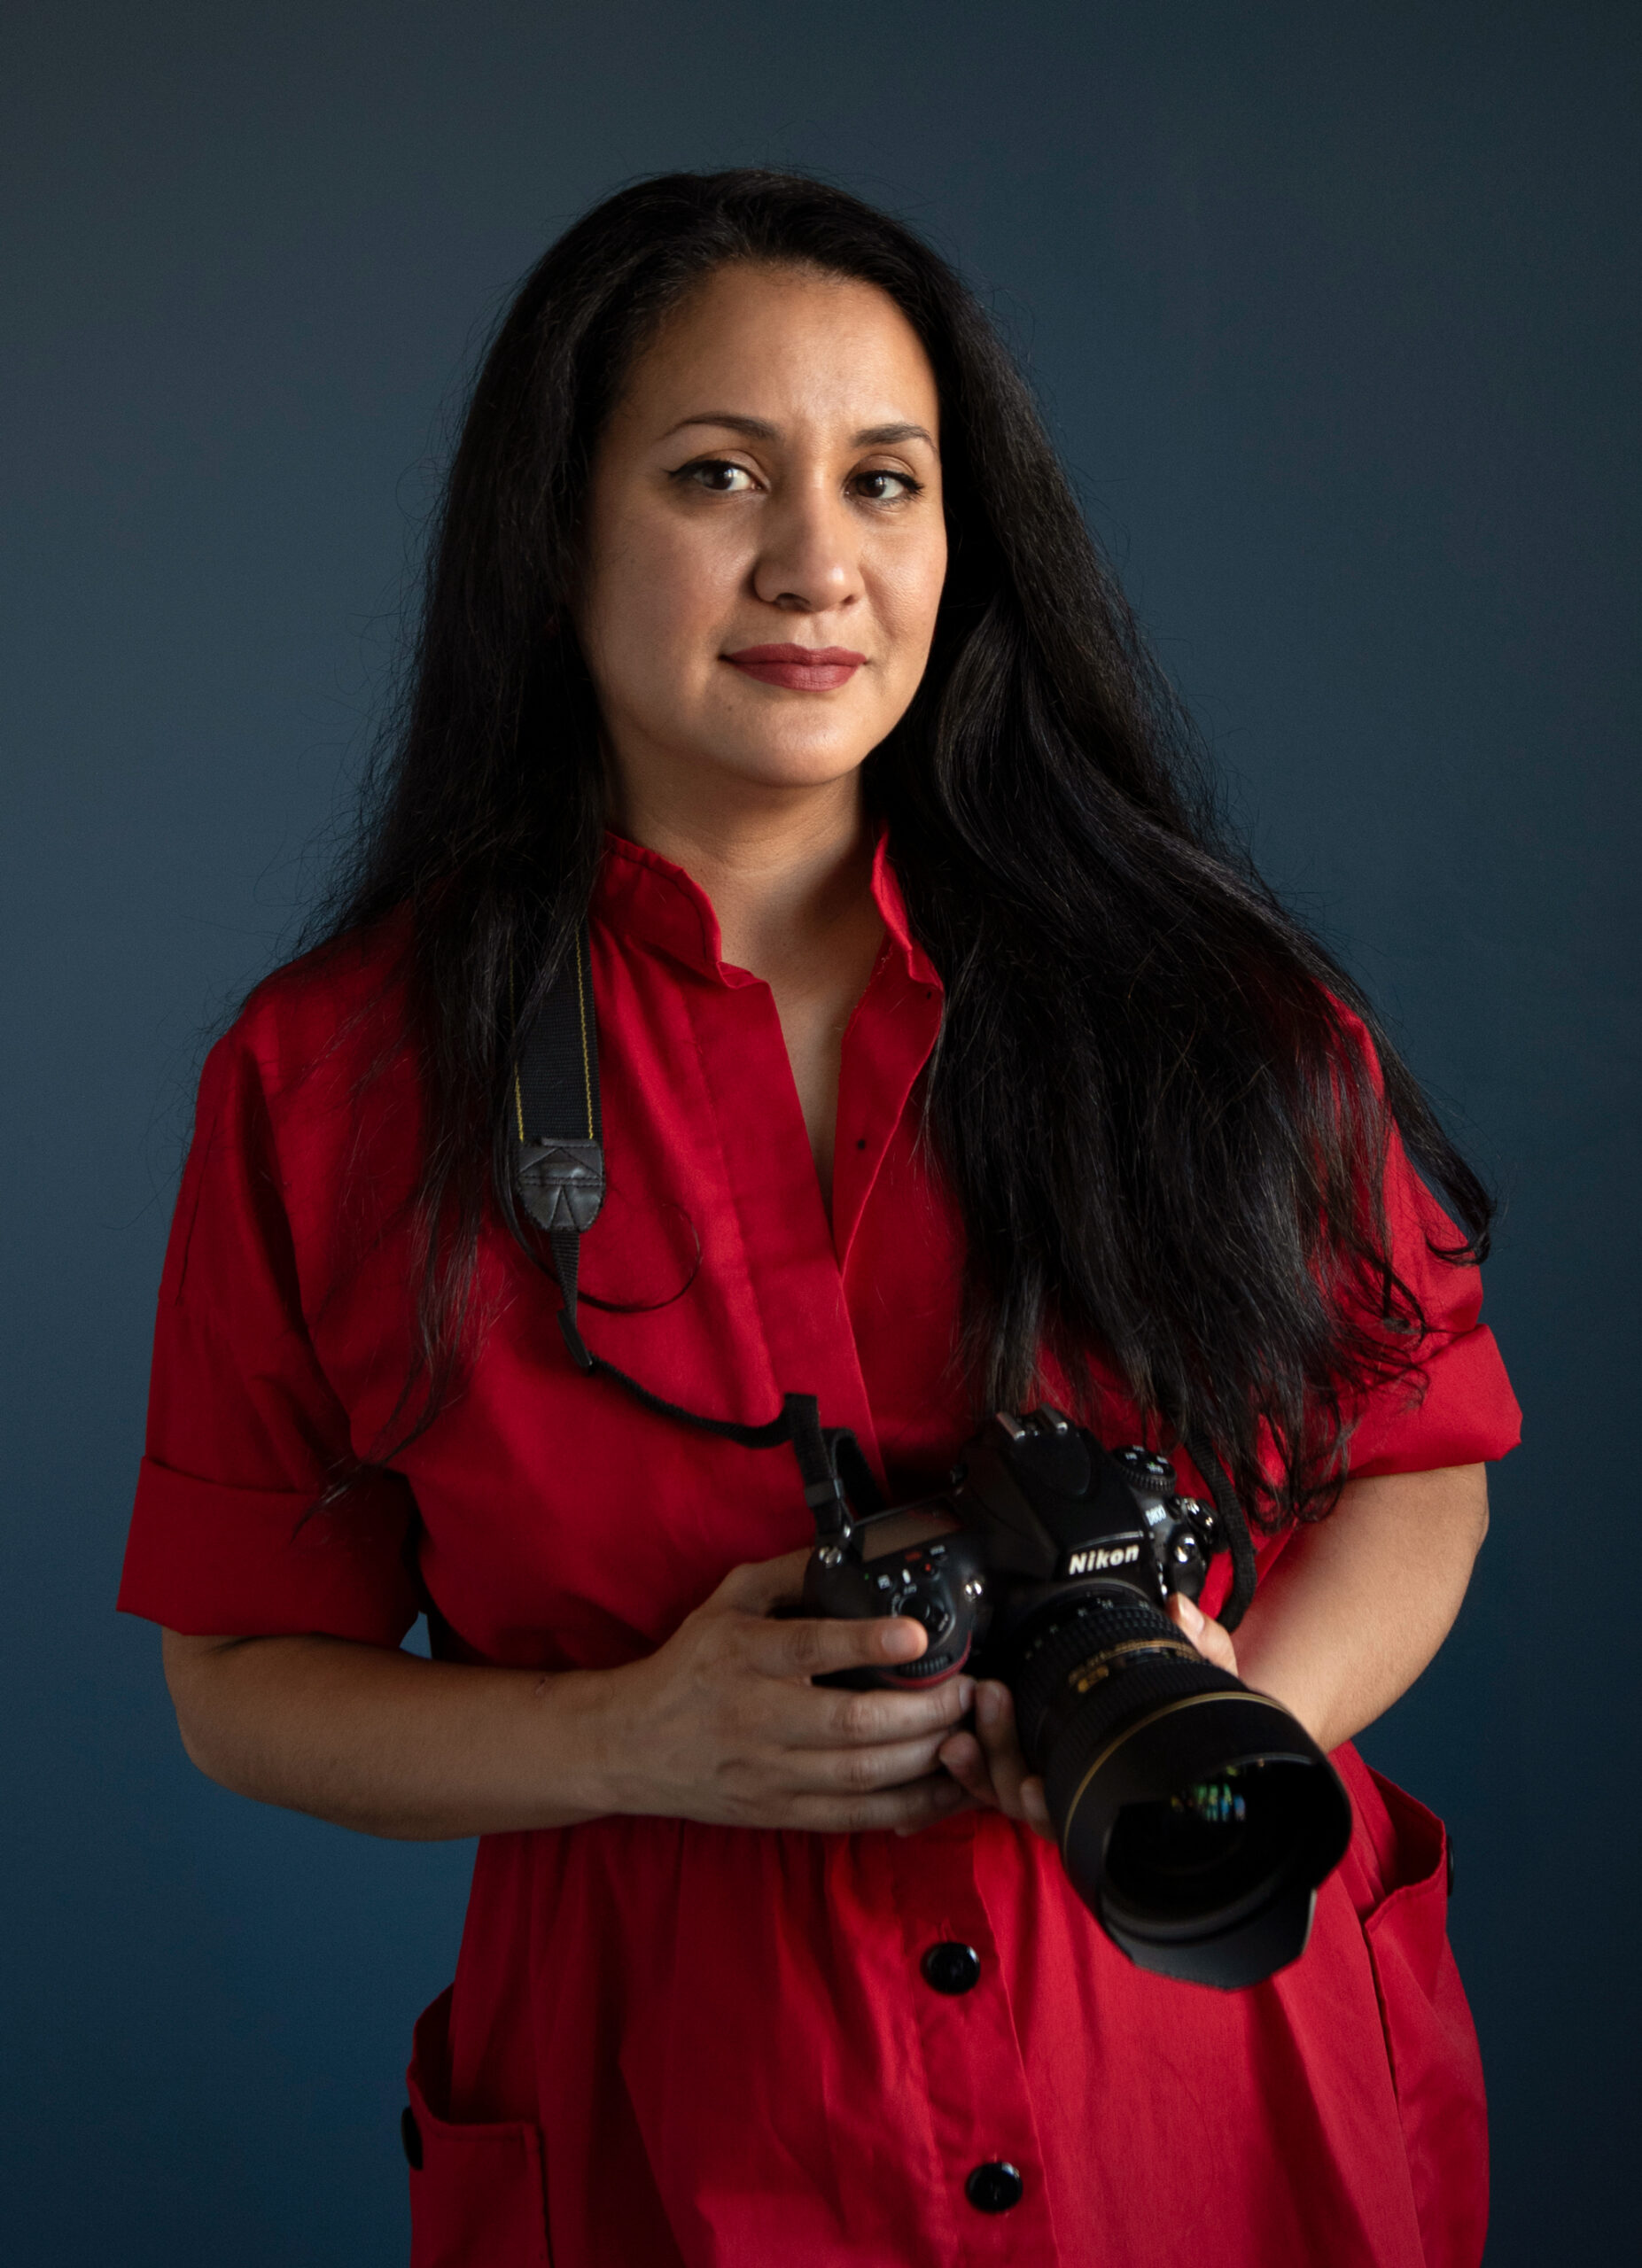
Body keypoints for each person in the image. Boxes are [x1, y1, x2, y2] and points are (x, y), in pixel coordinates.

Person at [120, 171, 1520, 2268]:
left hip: (1216, 2116)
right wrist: (627, 1733)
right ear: (559, 529)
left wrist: (1221, 1719)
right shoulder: (334, 1088)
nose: (817, 565)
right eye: (716, 473)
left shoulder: (1211, 1013)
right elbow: (237, 1674)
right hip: (676, 2147)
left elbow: (1422, 1477)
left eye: (886, 481)